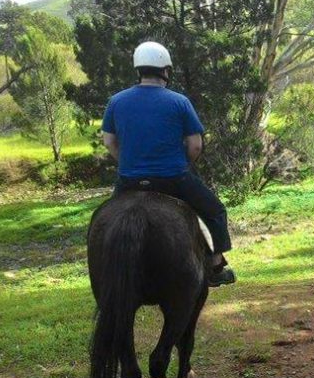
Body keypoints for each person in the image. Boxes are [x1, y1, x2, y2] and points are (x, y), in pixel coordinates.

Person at [101, 41, 236, 287]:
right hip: (173, 178)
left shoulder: (116, 101)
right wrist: (185, 164)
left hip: (129, 181)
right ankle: (215, 266)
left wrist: (127, 163)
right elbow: (195, 146)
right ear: (165, 69)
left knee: (106, 222)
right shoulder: (179, 101)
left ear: (138, 69)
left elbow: (109, 141)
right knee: (215, 211)